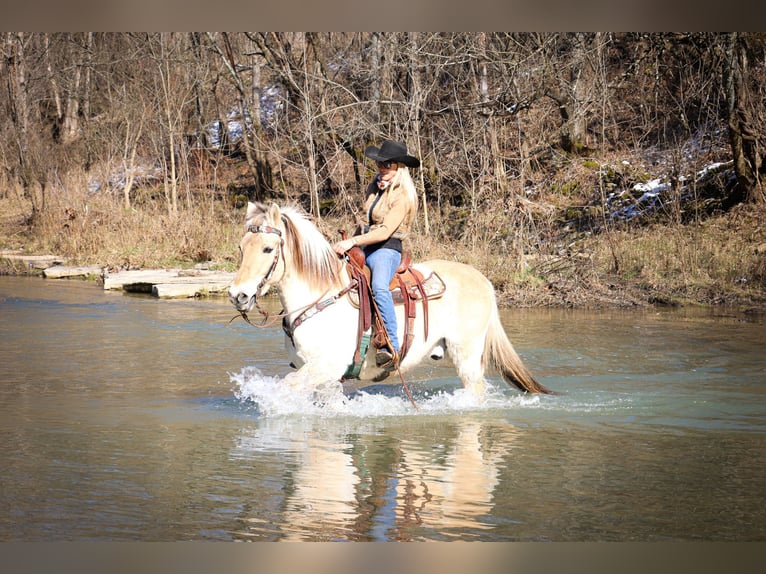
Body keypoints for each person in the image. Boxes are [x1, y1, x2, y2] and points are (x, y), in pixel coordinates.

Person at [333, 140, 420, 369]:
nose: (382, 168)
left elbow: (384, 231)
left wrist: (353, 241)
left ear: (399, 168)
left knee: (380, 287)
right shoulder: (376, 186)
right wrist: (351, 241)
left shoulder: (403, 196)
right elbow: (366, 221)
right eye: (380, 163)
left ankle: (390, 343)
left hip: (387, 249)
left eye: (388, 164)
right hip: (366, 245)